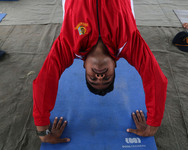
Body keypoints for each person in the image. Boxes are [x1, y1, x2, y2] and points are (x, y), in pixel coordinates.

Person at [33, 0, 168, 144]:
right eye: (106, 79)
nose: (99, 76)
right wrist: (153, 123)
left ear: (84, 65)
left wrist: (43, 130)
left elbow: (45, 82)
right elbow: (156, 79)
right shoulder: (130, 43)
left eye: (93, 79)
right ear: (115, 65)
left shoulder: (67, 45)